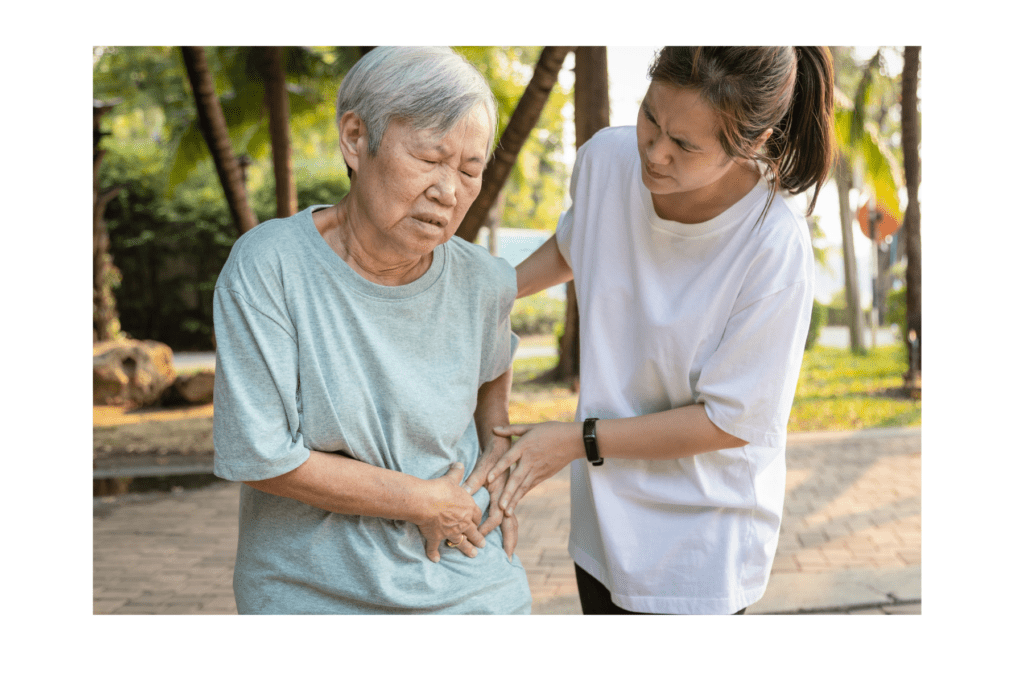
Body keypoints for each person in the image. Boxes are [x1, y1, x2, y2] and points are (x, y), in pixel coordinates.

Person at [484, 46, 836, 614]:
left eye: (686, 145)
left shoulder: (773, 244)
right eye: (651, 116)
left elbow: (729, 420)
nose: (654, 152)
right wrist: (480, 293)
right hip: (603, 524)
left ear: (754, 141)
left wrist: (577, 441)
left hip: (702, 542)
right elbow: (575, 246)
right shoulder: (606, 159)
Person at [212, 46, 530, 614]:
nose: (449, 190)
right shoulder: (271, 266)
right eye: (430, 157)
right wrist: (422, 501)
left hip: (468, 575)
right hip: (314, 590)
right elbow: (260, 455)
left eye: (470, 169)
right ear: (356, 139)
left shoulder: (485, 283)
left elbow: (493, 394)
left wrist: (494, 483)